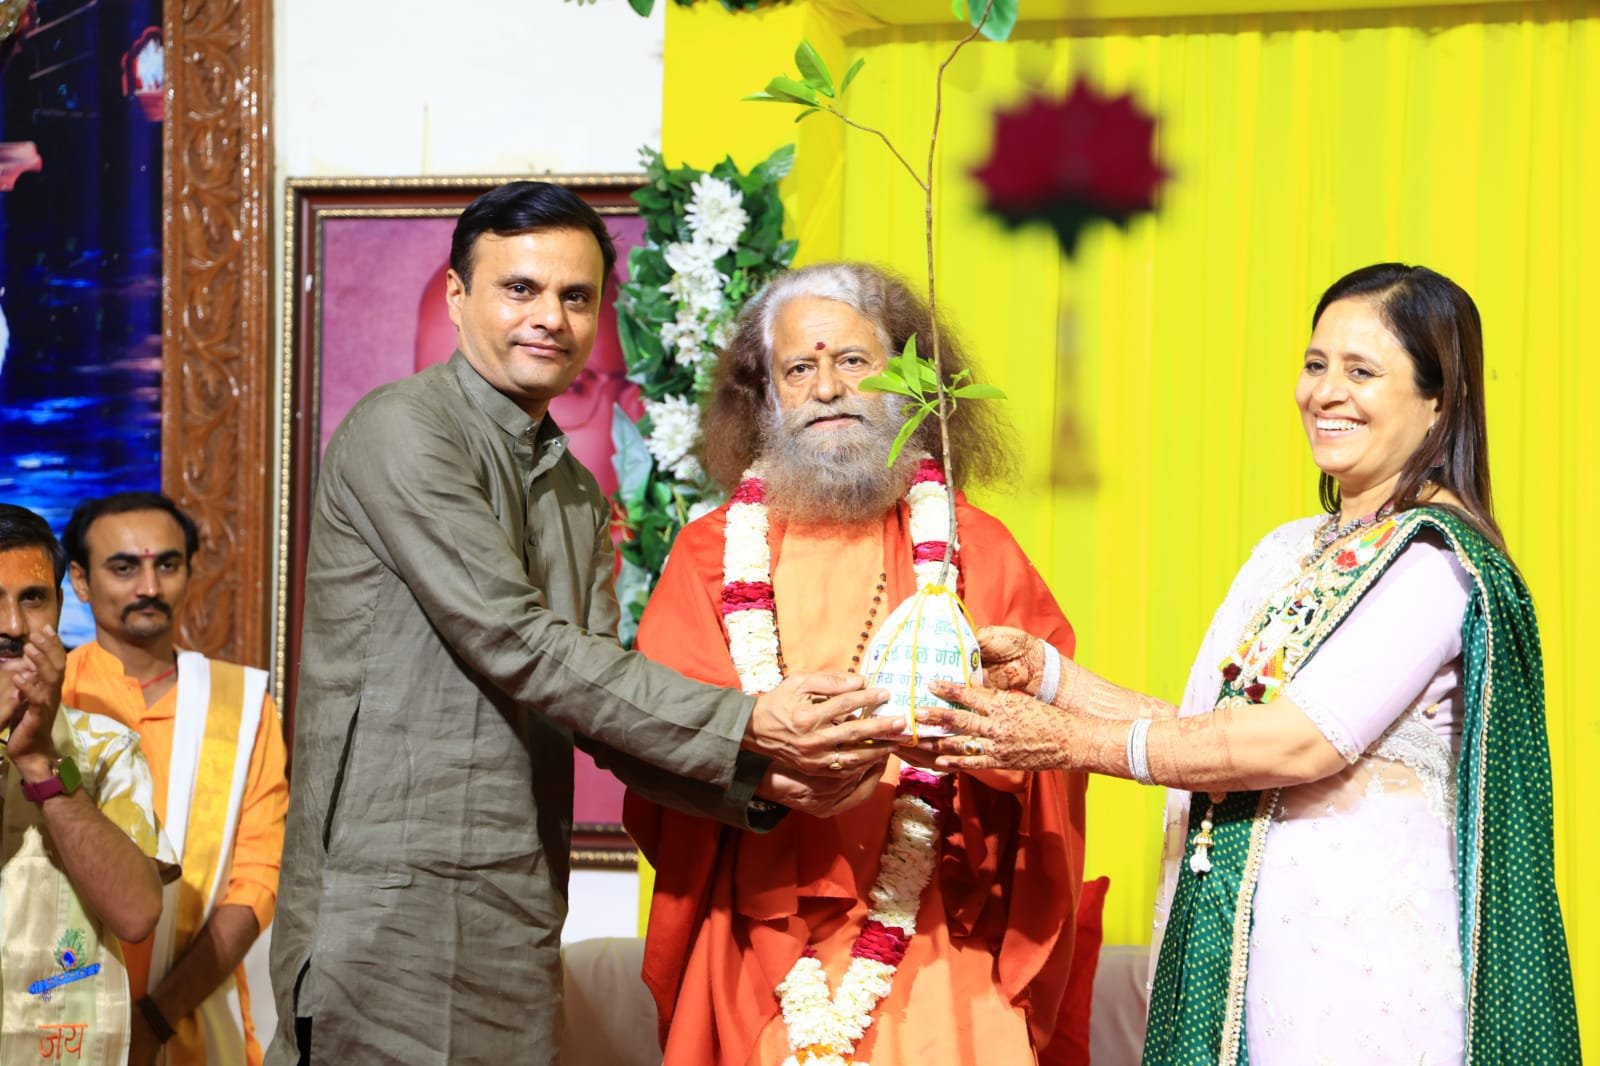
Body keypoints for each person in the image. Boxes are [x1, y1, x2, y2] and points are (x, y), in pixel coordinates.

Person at [268, 182, 903, 1066]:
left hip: (514, 905)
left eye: (576, 297)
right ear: (457, 296)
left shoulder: (569, 486)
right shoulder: (404, 431)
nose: (550, 319)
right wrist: (751, 723)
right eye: (519, 289)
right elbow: (515, 640)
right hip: (387, 909)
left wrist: (766, 778)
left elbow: (592, 695)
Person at [916, 264, 1580, 1063]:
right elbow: (1214, 735)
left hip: (1368, 978)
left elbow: (1297, 744)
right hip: (1259, 961)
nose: (1325, 393)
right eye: (1315, 364)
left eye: (1362, 372)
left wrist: (1065, 743)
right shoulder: (1291, 551)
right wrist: (1052, 680)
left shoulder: (1433, 562)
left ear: (1441, 400)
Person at [624, 262, 1089, 1066]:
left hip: (939, 930)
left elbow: (1054, 746)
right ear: (765, 399)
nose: (828, 388)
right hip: (757, 933)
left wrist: (969, 740)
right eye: (798, 369)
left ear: (909, 383)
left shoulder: (976, 550)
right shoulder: (707, 557)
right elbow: (655, 744)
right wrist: (765, 764)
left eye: (852, 361)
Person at [61, 492, 289, 1066]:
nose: (149, 586)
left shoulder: (242, 708)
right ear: (81, 581)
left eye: (167, 564)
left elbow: (257, 881)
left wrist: (156, 1019)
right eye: (124, 568)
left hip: (196, 1021)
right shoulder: (51, 699)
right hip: (55, 1011)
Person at [0, 502, 167, 1065]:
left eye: (33, 598)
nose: (14, 627)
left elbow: (136, 914)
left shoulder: (106, 747)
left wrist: (41, 765)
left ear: (59, 606)